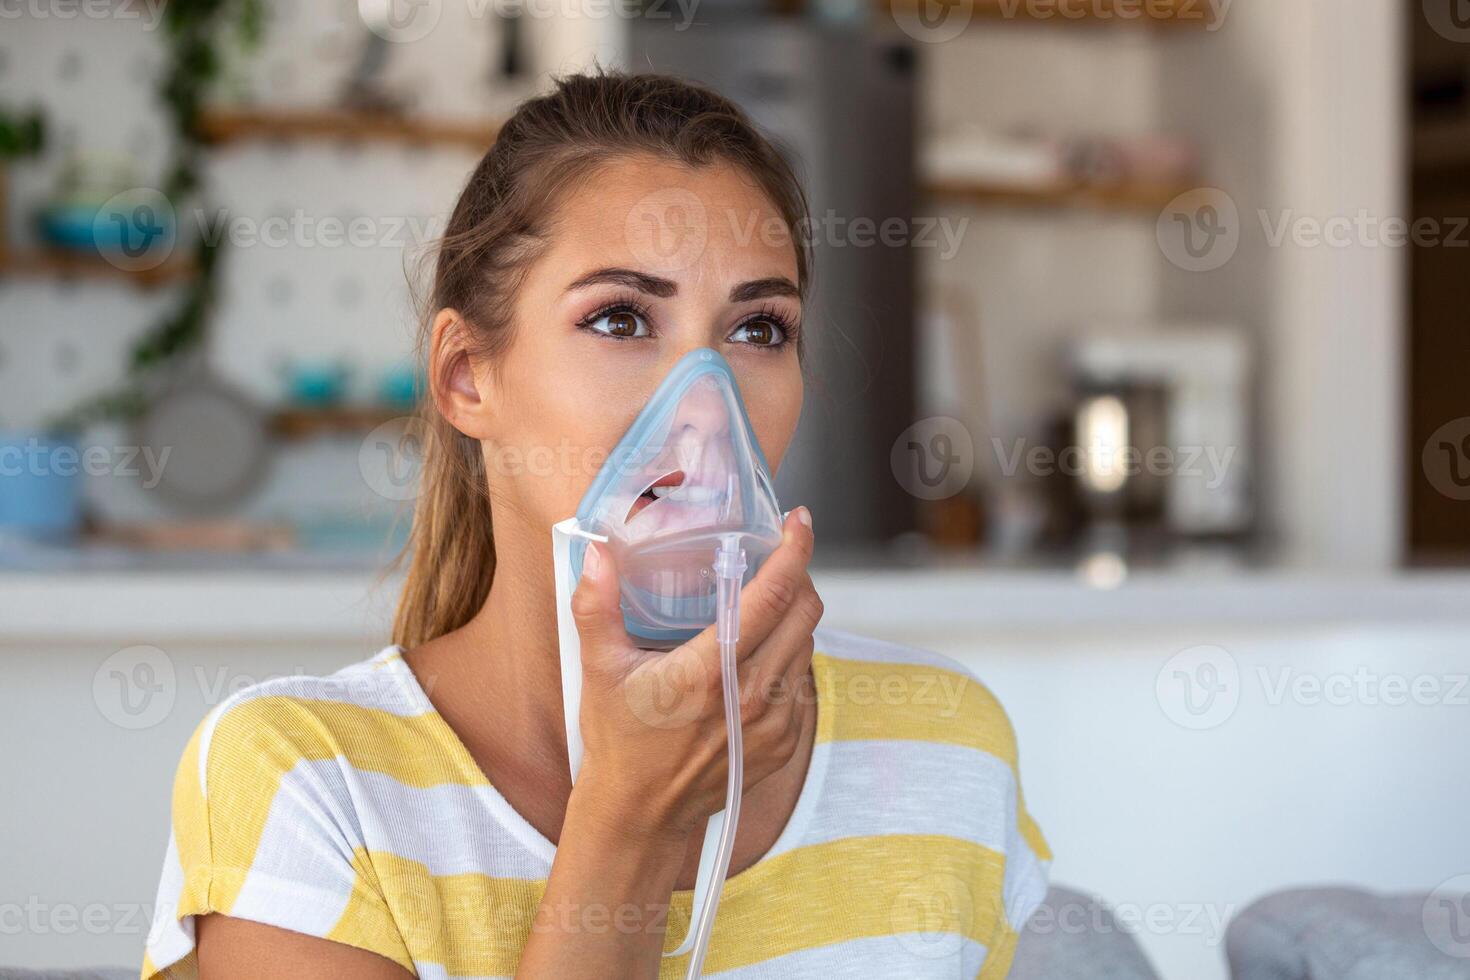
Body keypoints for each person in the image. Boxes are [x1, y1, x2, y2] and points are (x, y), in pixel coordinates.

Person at [142, 70, 1049, 980]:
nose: (705, 405)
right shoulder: (309, 786)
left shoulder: (946, 741)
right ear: (466, 377)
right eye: (620, 318)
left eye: (760, 329)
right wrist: (633, 821)